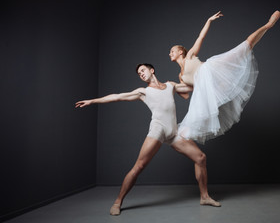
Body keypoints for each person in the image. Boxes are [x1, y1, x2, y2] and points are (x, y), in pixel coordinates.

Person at [75, 63, 220, 216]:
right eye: (139, 74)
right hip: (158, 130)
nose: (141, 74)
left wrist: (193, 75)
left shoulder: (170, 86)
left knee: (201, 158)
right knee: (139, 166)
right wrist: (92, 101)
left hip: (173, 132)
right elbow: (117, 97)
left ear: (152, 70)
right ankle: (117, 202)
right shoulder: (143, 92)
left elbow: (192, 88)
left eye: (143, 70)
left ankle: (204, 197)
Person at [169, 10, 280, 144]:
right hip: (208, 88)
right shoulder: (180, 76)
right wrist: (173, 86)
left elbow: (201, 37)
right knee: (190, 125)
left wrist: (208, 21)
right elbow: (187, 94)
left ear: (180, 52)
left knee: (246, 46)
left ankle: (268, 25)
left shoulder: (190, 56)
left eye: (172, 51)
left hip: (214, 69)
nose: (170, 54)